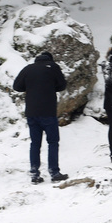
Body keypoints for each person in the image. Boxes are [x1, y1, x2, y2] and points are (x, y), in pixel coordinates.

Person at [12, 51, 69, 184]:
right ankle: (54, 172)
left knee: (35, 143)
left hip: (32, 112)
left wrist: (31, 86)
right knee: (53, 142)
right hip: (48, 111)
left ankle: (34, 173)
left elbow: (16, 86)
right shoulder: (53, 67)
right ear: (50, 59)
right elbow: (62, 85)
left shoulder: (28, 68)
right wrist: (49, 86)